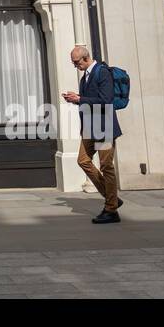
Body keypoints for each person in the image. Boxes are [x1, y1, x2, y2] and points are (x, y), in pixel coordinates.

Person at [62, 46, 124, 224]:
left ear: (85, 58)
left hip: (104, 127)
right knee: (83, 160)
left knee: (106, 166)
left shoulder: (102, 72)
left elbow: (106, 100)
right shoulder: (85, 76)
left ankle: (111, 210)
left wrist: (80, 99)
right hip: (91, 127)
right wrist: (76, 98)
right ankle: (111, 197)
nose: (75, 66)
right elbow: (90, 99)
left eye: (76, 62)